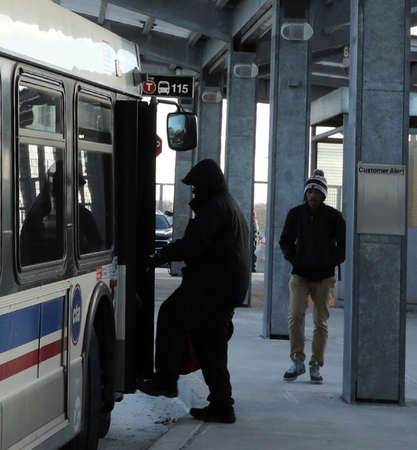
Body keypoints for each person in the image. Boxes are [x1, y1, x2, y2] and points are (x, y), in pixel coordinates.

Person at [138, 159, 251, 423]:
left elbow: (193, 244)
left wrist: (158, 257)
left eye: (196, 186)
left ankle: (166, 379)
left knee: (170, 314)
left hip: (214, 283)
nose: (194, 192)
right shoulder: (227, 203)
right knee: (210, 342)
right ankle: (222, 405)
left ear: (206, 184)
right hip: (228, 286)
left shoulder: (215, 207)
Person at [278, 171, 346, 383]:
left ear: (323, 194)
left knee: (320, 321)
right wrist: (293, 258)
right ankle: (297, 360)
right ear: (305, 193)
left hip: (324, 277)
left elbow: (343, 247)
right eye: (310, 191)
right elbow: (285, 240)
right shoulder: (295, 214)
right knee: (295, 314)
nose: (312, 195)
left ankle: (316, 364)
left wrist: (329, 263)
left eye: (317, 191)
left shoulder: (334, 217)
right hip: (300, 274)